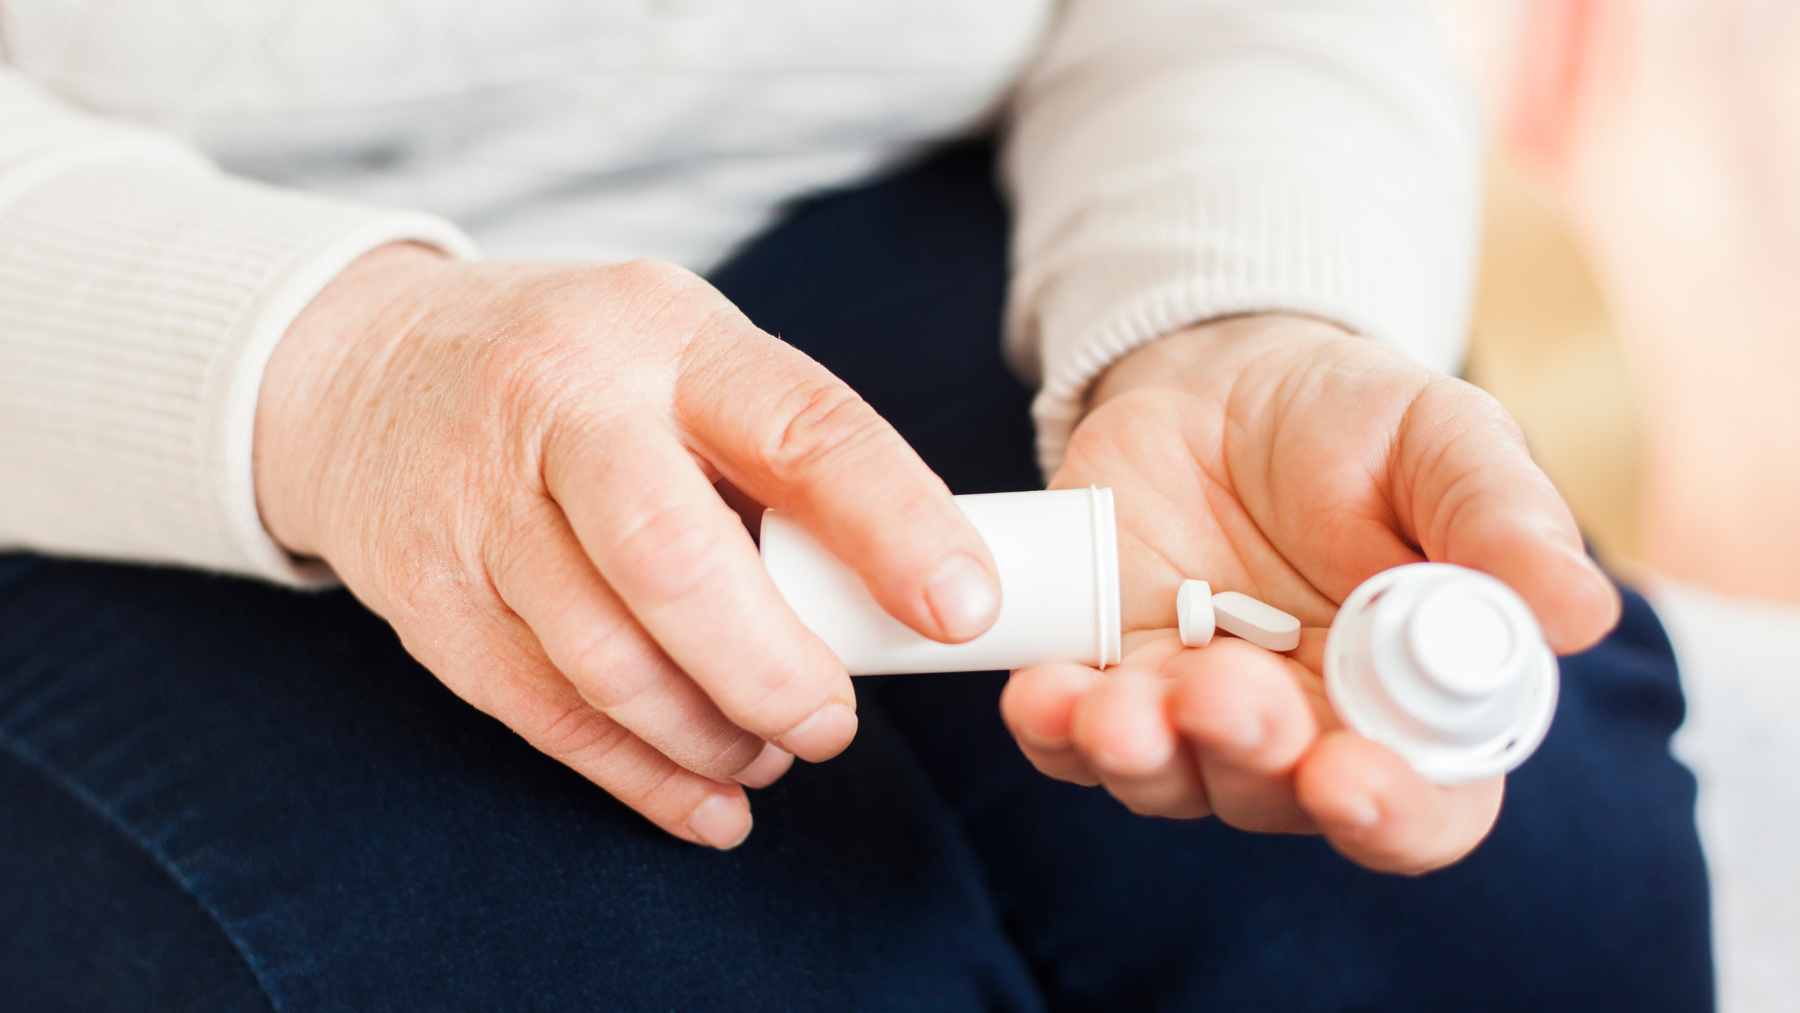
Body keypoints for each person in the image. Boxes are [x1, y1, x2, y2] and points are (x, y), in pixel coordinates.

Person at [0, 3, 1711, 1010]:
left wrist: (1242, 298)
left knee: (1513, 879)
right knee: (618, 957)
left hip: (968, 179)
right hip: (118, 320)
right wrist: (336, 371)